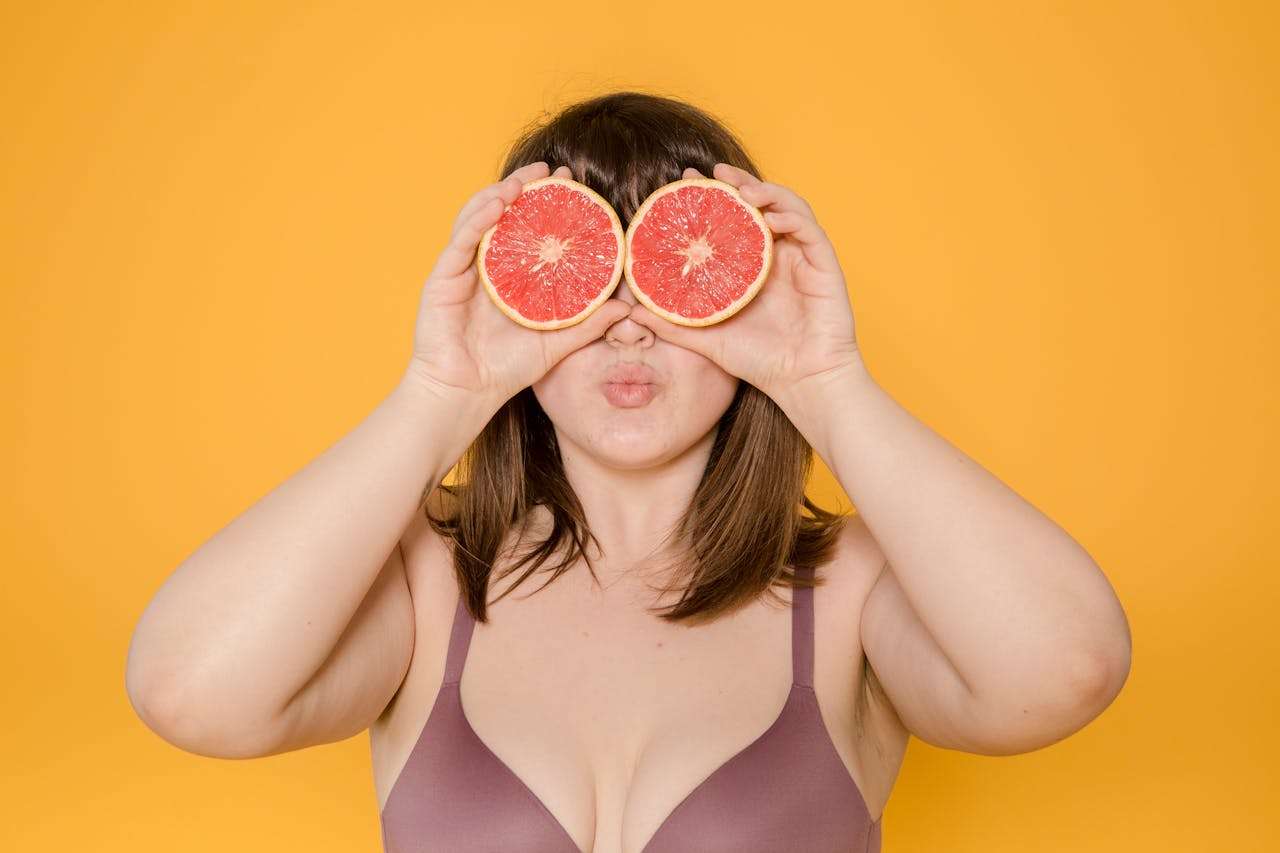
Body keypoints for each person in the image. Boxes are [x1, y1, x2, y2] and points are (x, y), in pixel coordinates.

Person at [125, 91, 1132, 853]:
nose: (626, 321)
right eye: (578, 269)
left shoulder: (853, 590)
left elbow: (1064, 669)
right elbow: (191, 693)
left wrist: (824, 381)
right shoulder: (423, 580)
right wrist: (438, 391)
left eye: (675, 270)